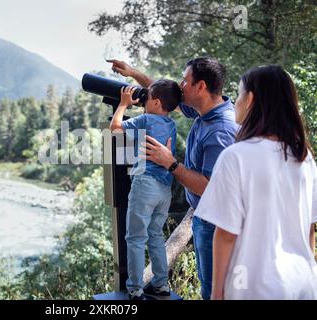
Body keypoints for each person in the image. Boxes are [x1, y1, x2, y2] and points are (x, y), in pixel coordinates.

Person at [108, 57, 239, 300]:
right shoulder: (202, 111)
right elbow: (166, 97)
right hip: (189, 207)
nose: (180, 85)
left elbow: (211, 189)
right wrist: (134, 73)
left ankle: (134, 290)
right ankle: (161, 285)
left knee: (214, 291)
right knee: (205, 284)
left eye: (185, 80)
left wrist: (171, 163)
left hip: (214, 223)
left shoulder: (221, 129)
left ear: (200, 86)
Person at [193, 65, 317, 300]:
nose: (234, 102)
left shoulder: (235, 156)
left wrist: (217, 294)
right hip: (304, 283)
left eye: (238, 94)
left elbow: (226, 234)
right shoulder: (304, 157)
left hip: (255, 288)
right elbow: (309, 228)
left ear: (250, 99)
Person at [110, 80, 182, 300]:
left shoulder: (146, 119)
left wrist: (123, 105)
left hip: (145, 185)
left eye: (147, 99)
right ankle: (161, 286)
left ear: (157, 102)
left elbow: (115, 129)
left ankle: (135, 289)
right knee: (155, 236)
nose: (144, 103)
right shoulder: (171, 124)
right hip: (164, 189)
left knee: (135, 238)